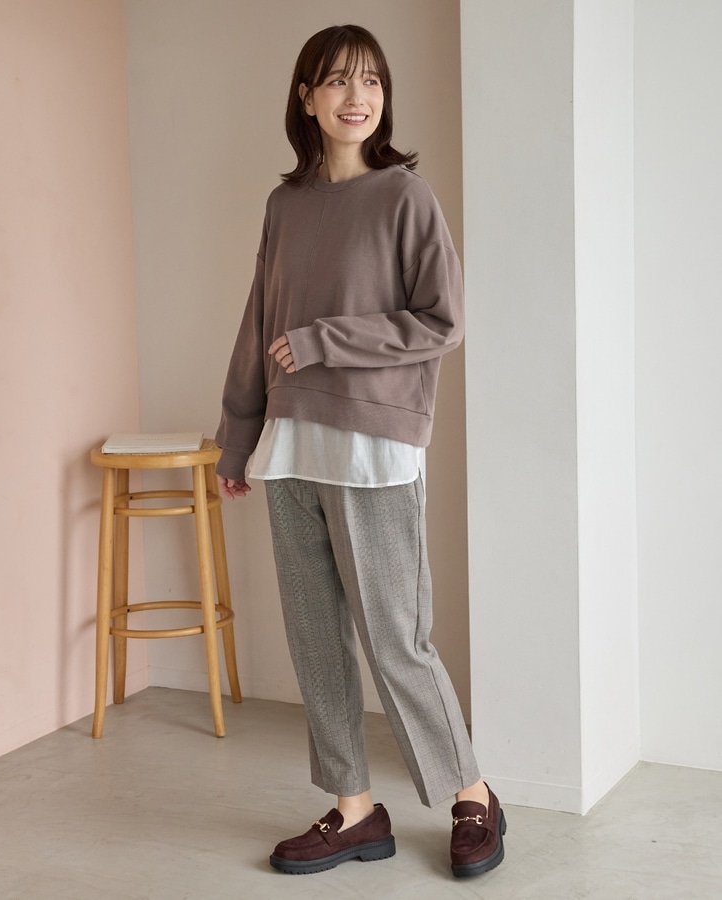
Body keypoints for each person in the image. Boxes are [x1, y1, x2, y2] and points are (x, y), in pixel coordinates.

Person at [214, 23, 505, 879]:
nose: (357, 96)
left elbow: (443, 320)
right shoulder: (286, 206)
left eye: (371, 80)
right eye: (338, 81)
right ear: (307, 97)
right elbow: (259, 323)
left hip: (375, 445)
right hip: (289, 444)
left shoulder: (404, 197)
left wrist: (326, 341)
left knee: (394, 638)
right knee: (316, 638)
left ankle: (472, 793)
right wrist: (237, 436)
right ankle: (354, 809)